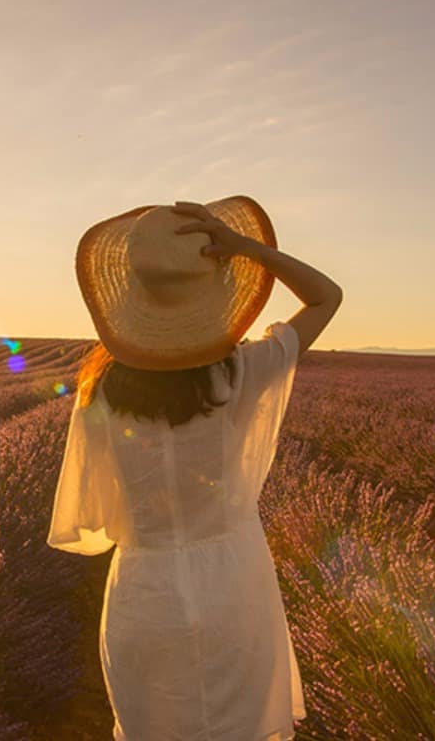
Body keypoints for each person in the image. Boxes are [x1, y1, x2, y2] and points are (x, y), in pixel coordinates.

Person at [51, 196, 342, 741]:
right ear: (216, 292)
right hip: (233, 586)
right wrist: (249, 249)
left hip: (143, 592)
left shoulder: (98, 397)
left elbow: (93, 519)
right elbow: (327, 296)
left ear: (133, 298)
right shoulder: (242, 375)